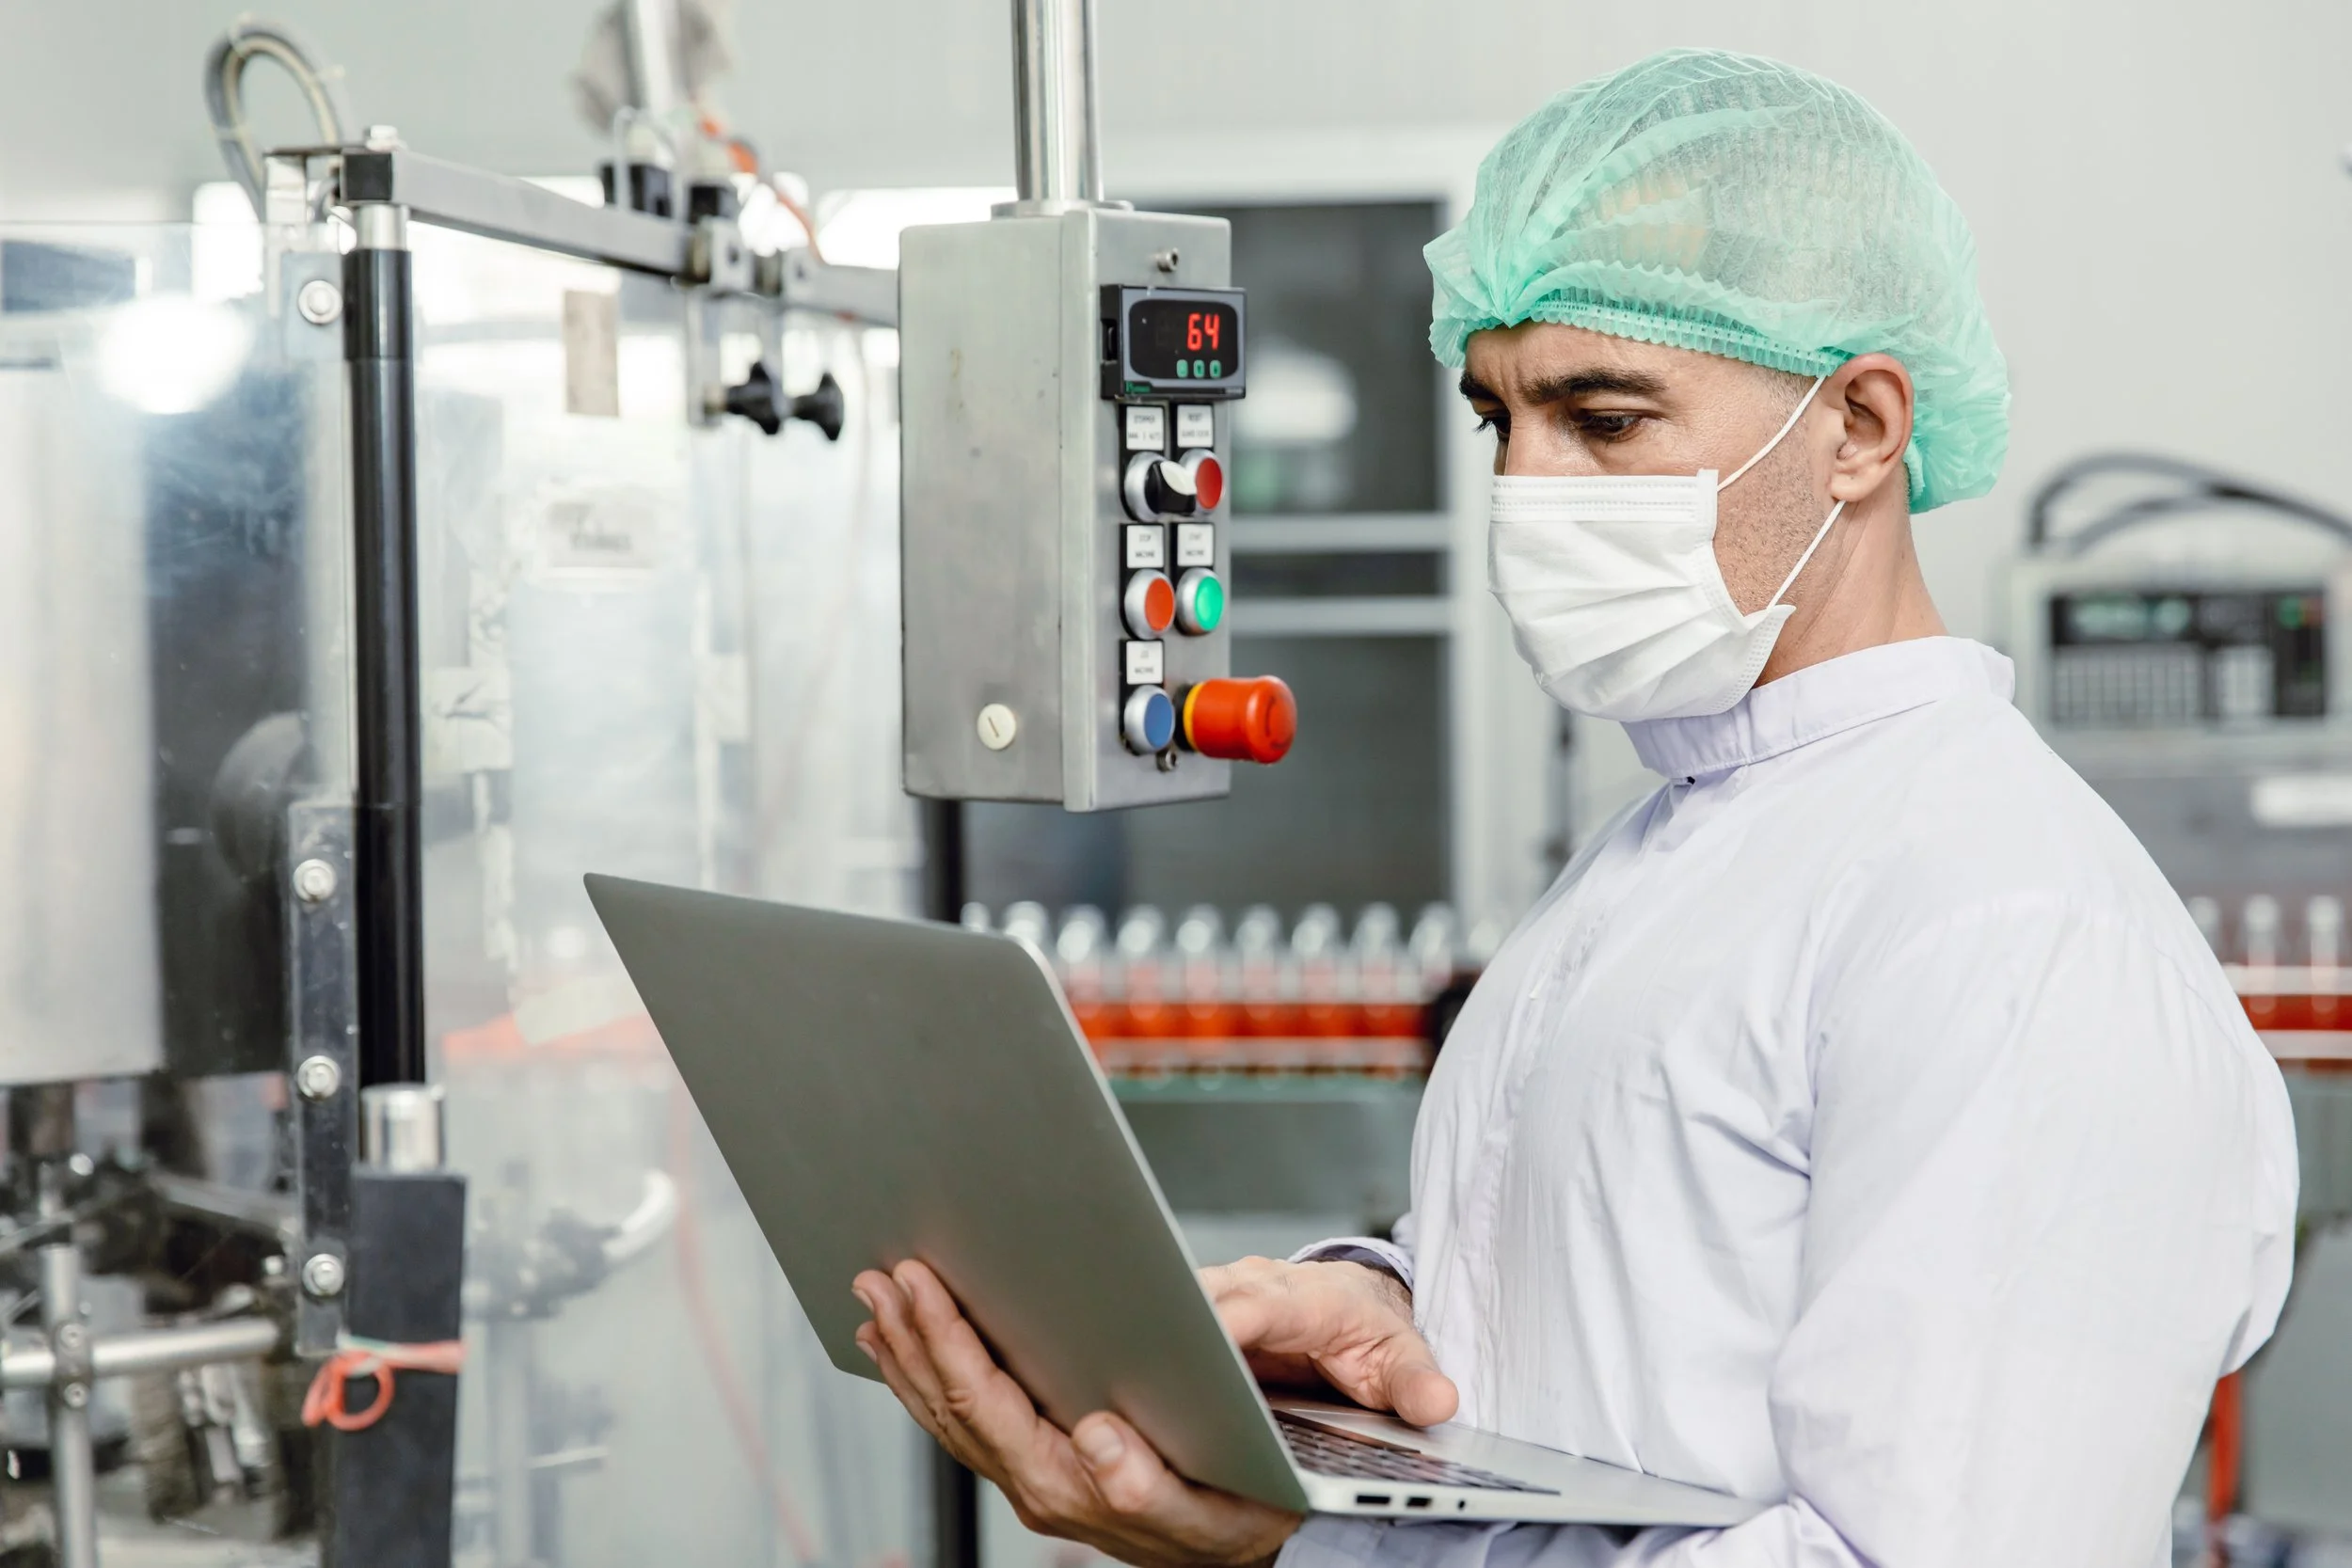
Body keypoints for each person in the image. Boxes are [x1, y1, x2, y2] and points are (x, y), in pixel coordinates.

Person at [850, 48, 2300, 1568]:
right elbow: (1627, 1311)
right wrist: (1374, 1310)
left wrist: (1299, 1550)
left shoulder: (2009, 927)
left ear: (1860, 429)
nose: (1527, 487)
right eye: (1499, 420)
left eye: (1604, 422)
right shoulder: (1684, 831)